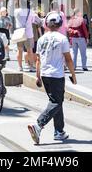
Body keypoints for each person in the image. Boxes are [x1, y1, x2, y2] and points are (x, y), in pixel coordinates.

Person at [27, 11, 77, 145]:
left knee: (55, 101)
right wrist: (73, 74)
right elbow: (68, 59)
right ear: (60, 24)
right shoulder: (62, 38)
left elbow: (38, 60)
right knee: (56, 102)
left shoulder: (42, 39)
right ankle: (38, 124)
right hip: (56, 74)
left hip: (44, 74)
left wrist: (37, 76)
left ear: (46, 24)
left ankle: (59, 131)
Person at [14, 0, 36, 72]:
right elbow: (33, 21)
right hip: (28, 33)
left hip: (19, 33)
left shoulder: (16, 11)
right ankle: (31, 66)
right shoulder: (31, 12)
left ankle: (20, 67)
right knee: (30, 51)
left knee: (19, 50)